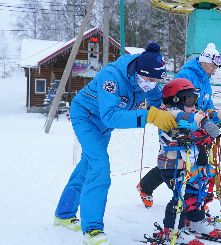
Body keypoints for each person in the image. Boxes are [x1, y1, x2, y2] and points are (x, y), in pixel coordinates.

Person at [53, 42, 177, 245]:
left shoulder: (146, 80)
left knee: (88, 165)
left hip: (103, 126)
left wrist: (171, 114)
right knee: (100, 166)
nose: (152, 84)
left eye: (157, 80)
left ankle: (64, 213)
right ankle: (92, 229)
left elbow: (158, 101)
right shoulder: (112, 77)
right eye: (150, 79)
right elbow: (110, 116)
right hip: (87, 117)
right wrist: (150, 116)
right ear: (139, 71)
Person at [137, 43, 221, 208]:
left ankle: (194, 199)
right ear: (205, 62)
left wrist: (215, 118)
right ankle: (184, 199)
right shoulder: (186, 75)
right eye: (213, 66)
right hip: (177, 123)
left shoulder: (205, 80)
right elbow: (175, 102)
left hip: (197, 125)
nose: (215, 69)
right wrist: (196, 119)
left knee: (190, 159)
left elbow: (207, 104)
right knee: (174, 160)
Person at [152, 78, 221, 240]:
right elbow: (174, 135)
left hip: (190, 165)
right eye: (189, 99)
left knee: (196, 193)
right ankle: (172, 228)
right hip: (172, 166)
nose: (194, 104)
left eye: (195, 99)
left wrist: (217, 121)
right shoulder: (167, 116)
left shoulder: (189, 114)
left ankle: (195, 220)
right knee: (180, 197)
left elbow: (202, 120)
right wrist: (197, 134)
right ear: (175, 101)